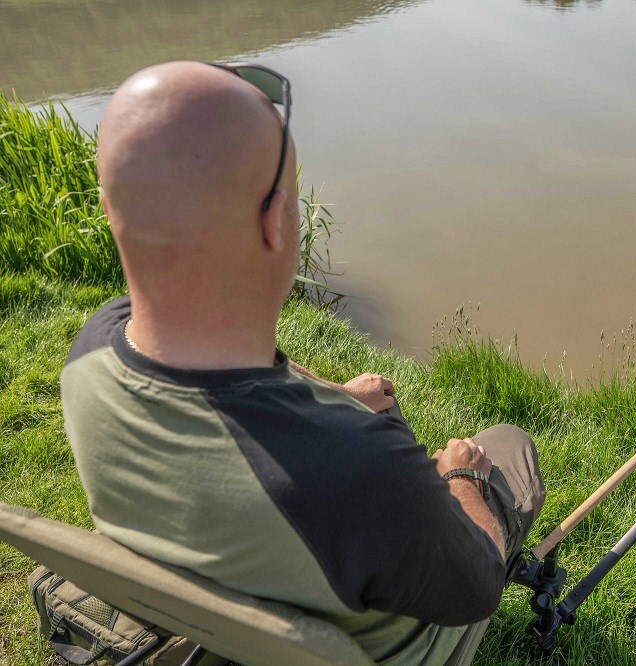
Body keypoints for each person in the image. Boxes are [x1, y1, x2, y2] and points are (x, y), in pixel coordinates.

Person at [60, 61, 545, 665]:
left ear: (110, 209)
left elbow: (225, 367)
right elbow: (476, 586)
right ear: (274, 223)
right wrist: (463, 480)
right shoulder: (356, 469)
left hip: (216, 598)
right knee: (507, 448)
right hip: (386, 649)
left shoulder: (93, 350)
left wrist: (335, 394)